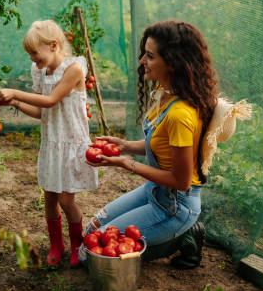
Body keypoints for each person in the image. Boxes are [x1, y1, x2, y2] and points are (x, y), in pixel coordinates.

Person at [84, 20, 219, 269]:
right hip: (154, 192)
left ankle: (183, 238)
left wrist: (128, 165)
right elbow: (159, 146)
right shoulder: (165, 94)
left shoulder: (181, 115)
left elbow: (181, 180)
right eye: (144, 54)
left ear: (173, 63)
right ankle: (173, 235)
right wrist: (124, 146)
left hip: (175, 206)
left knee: (91, 254)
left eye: (150, 56)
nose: (142, 61)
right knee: (90, 230)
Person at [0, 20, 98, 267]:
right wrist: (16, 104)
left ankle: (77, 245)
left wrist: (15, 92)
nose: (31, 59)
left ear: (53, 46)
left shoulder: (73, 69)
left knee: (66, 200)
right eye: (29, 54)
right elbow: (43, 111)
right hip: (52, 143)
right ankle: (56, 245)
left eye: (34, 53)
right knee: (49, 199)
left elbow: (50, 100)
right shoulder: (41, 72)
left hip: (70, 143)